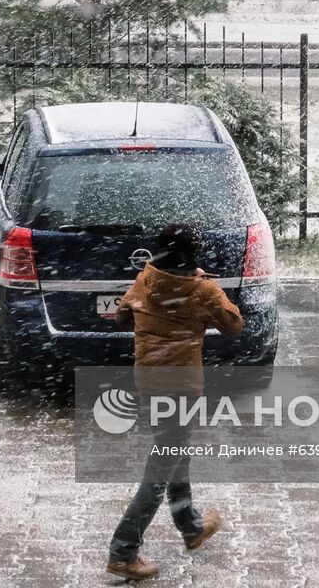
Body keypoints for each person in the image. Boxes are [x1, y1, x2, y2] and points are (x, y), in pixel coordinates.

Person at [105, 223, 245, 582]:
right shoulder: (202, 289)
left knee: (172, 454)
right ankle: (123, 550)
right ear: (191, 253)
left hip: (149, 382)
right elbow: (234, 326)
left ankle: (191, 526)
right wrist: (203, 290)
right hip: (181, 388)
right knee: (160, 470)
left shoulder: (146, 278)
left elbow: (121, 317)